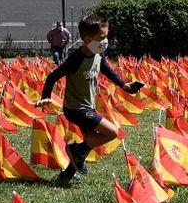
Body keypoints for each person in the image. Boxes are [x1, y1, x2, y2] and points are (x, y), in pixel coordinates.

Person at [36, 15, 142, 183]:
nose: (105, 41)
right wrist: (46, 97)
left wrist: (124, 86)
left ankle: (65, 176)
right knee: (112, 132)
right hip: (75, 109)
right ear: (87, 39)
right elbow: (52, 76)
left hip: (88, 107)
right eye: (102, 37)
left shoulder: (98, 53)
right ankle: (76, 149)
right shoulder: (76, 59)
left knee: (89, 142)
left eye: (106, 36)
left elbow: (106, 69)